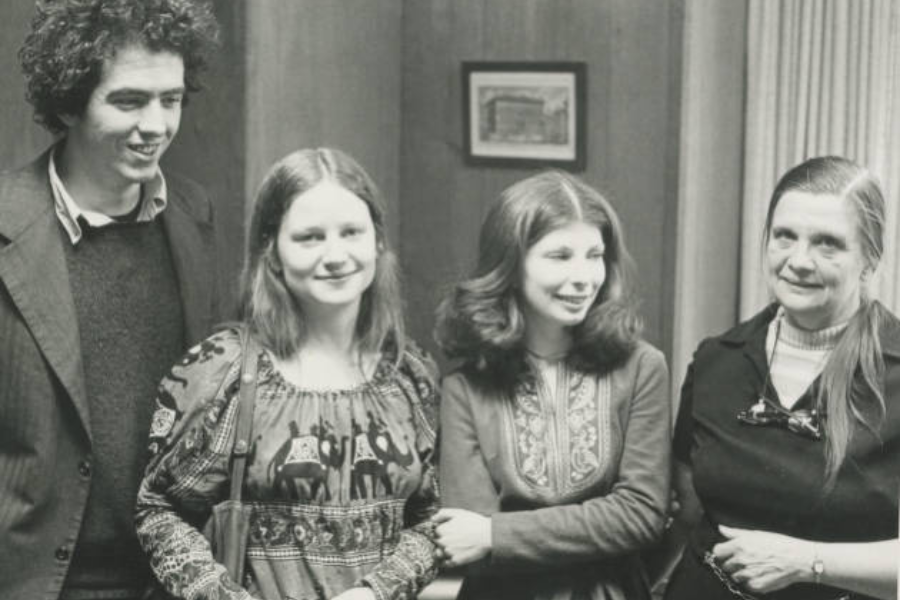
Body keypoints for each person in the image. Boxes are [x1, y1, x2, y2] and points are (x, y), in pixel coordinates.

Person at [135, 148, 441, 600]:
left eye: (351, 232)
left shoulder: (409, 373)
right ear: (272, 254)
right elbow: (158, 511)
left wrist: (376, 592)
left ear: (377, 242)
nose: (336, 255)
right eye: (310, 237)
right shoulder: (223, 371)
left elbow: (432, 519)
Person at [0, 1, 220, 599]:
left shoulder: (194, 216)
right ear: (69, 103)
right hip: (36, 582)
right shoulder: (7, 226)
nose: (156, 124)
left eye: (170, 99)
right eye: (128, 101)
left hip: (171, 578)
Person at [666, 156, 900, 600]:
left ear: (870, 259)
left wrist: (807, 562)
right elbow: (688, 509)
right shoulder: (717, 360)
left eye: (827, 243)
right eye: (784, 237)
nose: (799, 261)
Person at [433, 170, 671, 600]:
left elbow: (641, 514)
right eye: (560, 256)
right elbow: (466, 540)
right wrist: (593, 527)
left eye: (594, 255)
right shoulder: (463, 388)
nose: (584, 277)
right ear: (511, 264)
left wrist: (496, 533)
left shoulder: (642, 368)